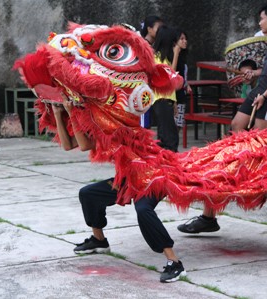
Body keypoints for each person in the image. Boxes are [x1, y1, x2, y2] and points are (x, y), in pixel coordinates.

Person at [178, 0, 267, 266]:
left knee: (258, 146)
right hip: (261, 93)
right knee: (236, 127)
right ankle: (219, 200)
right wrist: (253, 75)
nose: (259, 23)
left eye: (261, 19)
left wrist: (265, 96)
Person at [51, 97, 186, 283]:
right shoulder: (98, 126)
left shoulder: (117, 122)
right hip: (128, 179)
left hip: (152, 176)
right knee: (88, 194)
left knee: (143, 210)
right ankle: (99, 240)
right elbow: (69, 145)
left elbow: (82, 145)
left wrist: (72, 111)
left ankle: (174, 262)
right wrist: (59, 113)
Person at [151, 25, 181, 152]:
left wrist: (173, 102)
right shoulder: (156, 57)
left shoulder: (163, 57)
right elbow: (170, 76)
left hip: (166, 100)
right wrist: (176, 55)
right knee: (169, 140)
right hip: (161, 101)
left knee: (168, 136)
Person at [140, 16, 164, 129]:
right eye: (158, 28)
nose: (161, 31)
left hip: (150, 90)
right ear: (149, 29)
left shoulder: (153, 46)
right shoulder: (143, 46)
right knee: (144, 125)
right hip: (142, 89)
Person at [173, 28, 191, 131]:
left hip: (181, 94)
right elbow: (172, 72)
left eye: (185, 39)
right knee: (174, 125)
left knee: (179, 125)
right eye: (181, 39)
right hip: (174, 95)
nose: (185, 41)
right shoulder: (174, 56)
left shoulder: (183, 56)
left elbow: (182, 75)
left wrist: (186, 84)